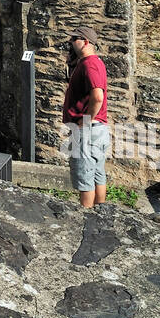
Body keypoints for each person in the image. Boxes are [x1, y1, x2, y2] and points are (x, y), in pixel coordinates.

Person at [62, 25, 109, 208]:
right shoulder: (91, 63)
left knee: (85, 179)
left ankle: (86, 220)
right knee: (97, 175)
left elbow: (98, 96)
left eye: (75, 39)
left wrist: (85, 121)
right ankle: (100, 214)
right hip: (97, 129)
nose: (71, 42)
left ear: (86, 42)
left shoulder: (90, 64)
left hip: (88, 130)